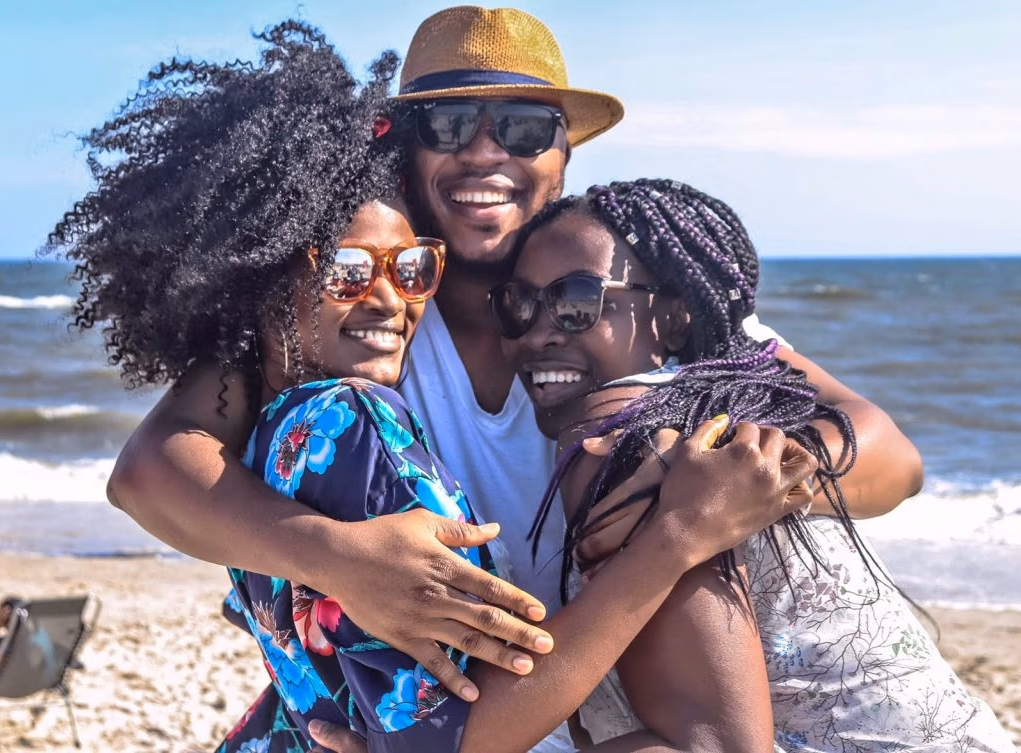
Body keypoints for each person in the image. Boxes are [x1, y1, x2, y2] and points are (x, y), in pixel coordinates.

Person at [97, 5, 921, 749]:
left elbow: (888, 455)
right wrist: (344, 559)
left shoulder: (617, 307)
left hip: (601, 707)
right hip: (503, 714)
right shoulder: (361, 317)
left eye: (525, 128)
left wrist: (725, 480)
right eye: (449, 123)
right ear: (401, 148)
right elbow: (153, 471)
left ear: (563, 156)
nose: (485, 151)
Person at [491, 178, 1014, 751]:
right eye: (517, 305)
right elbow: (894, 455)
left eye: (576, 303)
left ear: (675, 314)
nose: (537, 333)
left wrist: (757, 476)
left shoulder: (622, 441)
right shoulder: (738, 392)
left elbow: (714, 746)